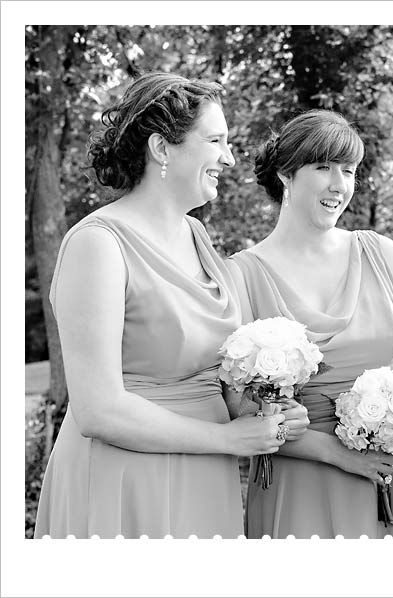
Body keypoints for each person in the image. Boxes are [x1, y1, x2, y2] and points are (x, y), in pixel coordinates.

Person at [34, 72, 296, 539]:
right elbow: (99, 410)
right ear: (161, 148)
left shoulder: (196, 235)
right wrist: (226, 440)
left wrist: (260, 411)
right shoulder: (98, 245)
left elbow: (202, 370)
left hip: (204, 484)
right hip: (125, 482)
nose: (229, 157)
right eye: (215, 140)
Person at [228, 109, 393, 539]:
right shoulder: (241, 275)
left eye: (348, 170)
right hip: (301, 479)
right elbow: (237, 408)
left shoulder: (380, 253)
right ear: (286, 174)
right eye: (323, 167)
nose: (338, 184)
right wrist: (335, 452)